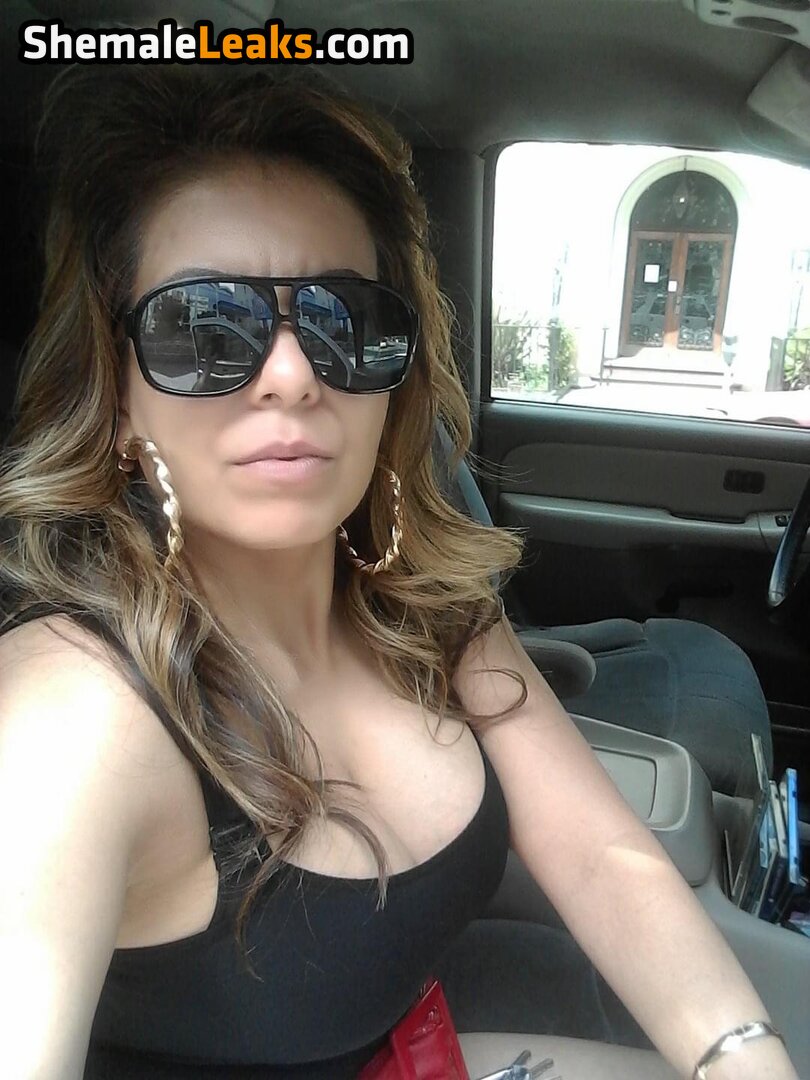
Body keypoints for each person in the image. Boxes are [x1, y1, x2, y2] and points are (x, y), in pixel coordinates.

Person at [0, 62, 799, 1080]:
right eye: (204, 328)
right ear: (116, 398)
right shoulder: (72, 714)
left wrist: (741, 1054)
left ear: (393, 379)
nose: (292, 375)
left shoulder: (419, 602)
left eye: (343, 323)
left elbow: (604, 858)